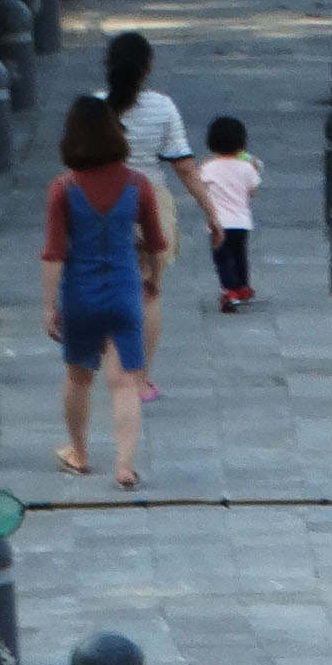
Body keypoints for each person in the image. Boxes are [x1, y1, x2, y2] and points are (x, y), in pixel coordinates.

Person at [40, 97, 166, 490]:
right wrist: (153, 281)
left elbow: (54, 253)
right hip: (126, 291)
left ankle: (79, 454)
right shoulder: (138, 185)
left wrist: (49, 306)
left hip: (81, 293)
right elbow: (156, 243)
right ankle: (124, 467)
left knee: (79, 378)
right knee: (126, 381)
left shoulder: (63, 188)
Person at [103, 33, 212, 396]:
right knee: (149, 291)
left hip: (104, 205)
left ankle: (113, 368)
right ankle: (140, 379)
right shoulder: (162, 107)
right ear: (147, 68)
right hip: (150, 200)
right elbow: (183, 166)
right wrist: (212, 213)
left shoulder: (94, 107)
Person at [199, 115, 260, 312]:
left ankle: (228, 289)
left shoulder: (208, 167)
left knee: (222, 257)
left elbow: (201, 188)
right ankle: (242, 286)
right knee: (239, 253)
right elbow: (252, 191)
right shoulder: (246, 167)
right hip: (241, 221)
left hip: (218, 221)